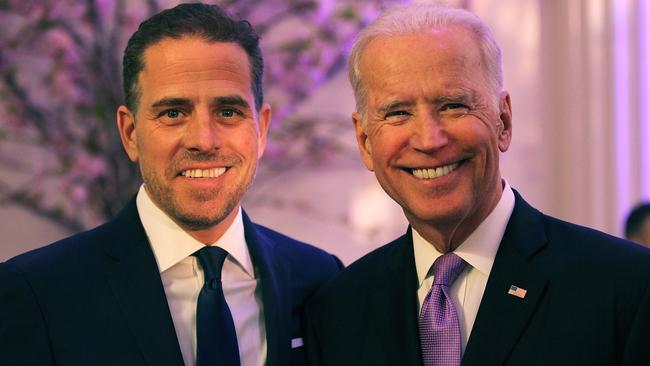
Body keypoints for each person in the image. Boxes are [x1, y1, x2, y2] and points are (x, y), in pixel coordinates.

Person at [304, 3, 650, 366]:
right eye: (398, 113)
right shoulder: (336, 311)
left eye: (453, 105)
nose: (429, 139)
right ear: (365, 142)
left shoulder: (627, 288)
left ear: (503, 121)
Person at [0, 3, 342, 366]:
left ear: (261, 131)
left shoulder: (321, 279)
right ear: (130, 133)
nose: (203, 140)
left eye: (228, 112)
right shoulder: (37, 293)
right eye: (173, 113)